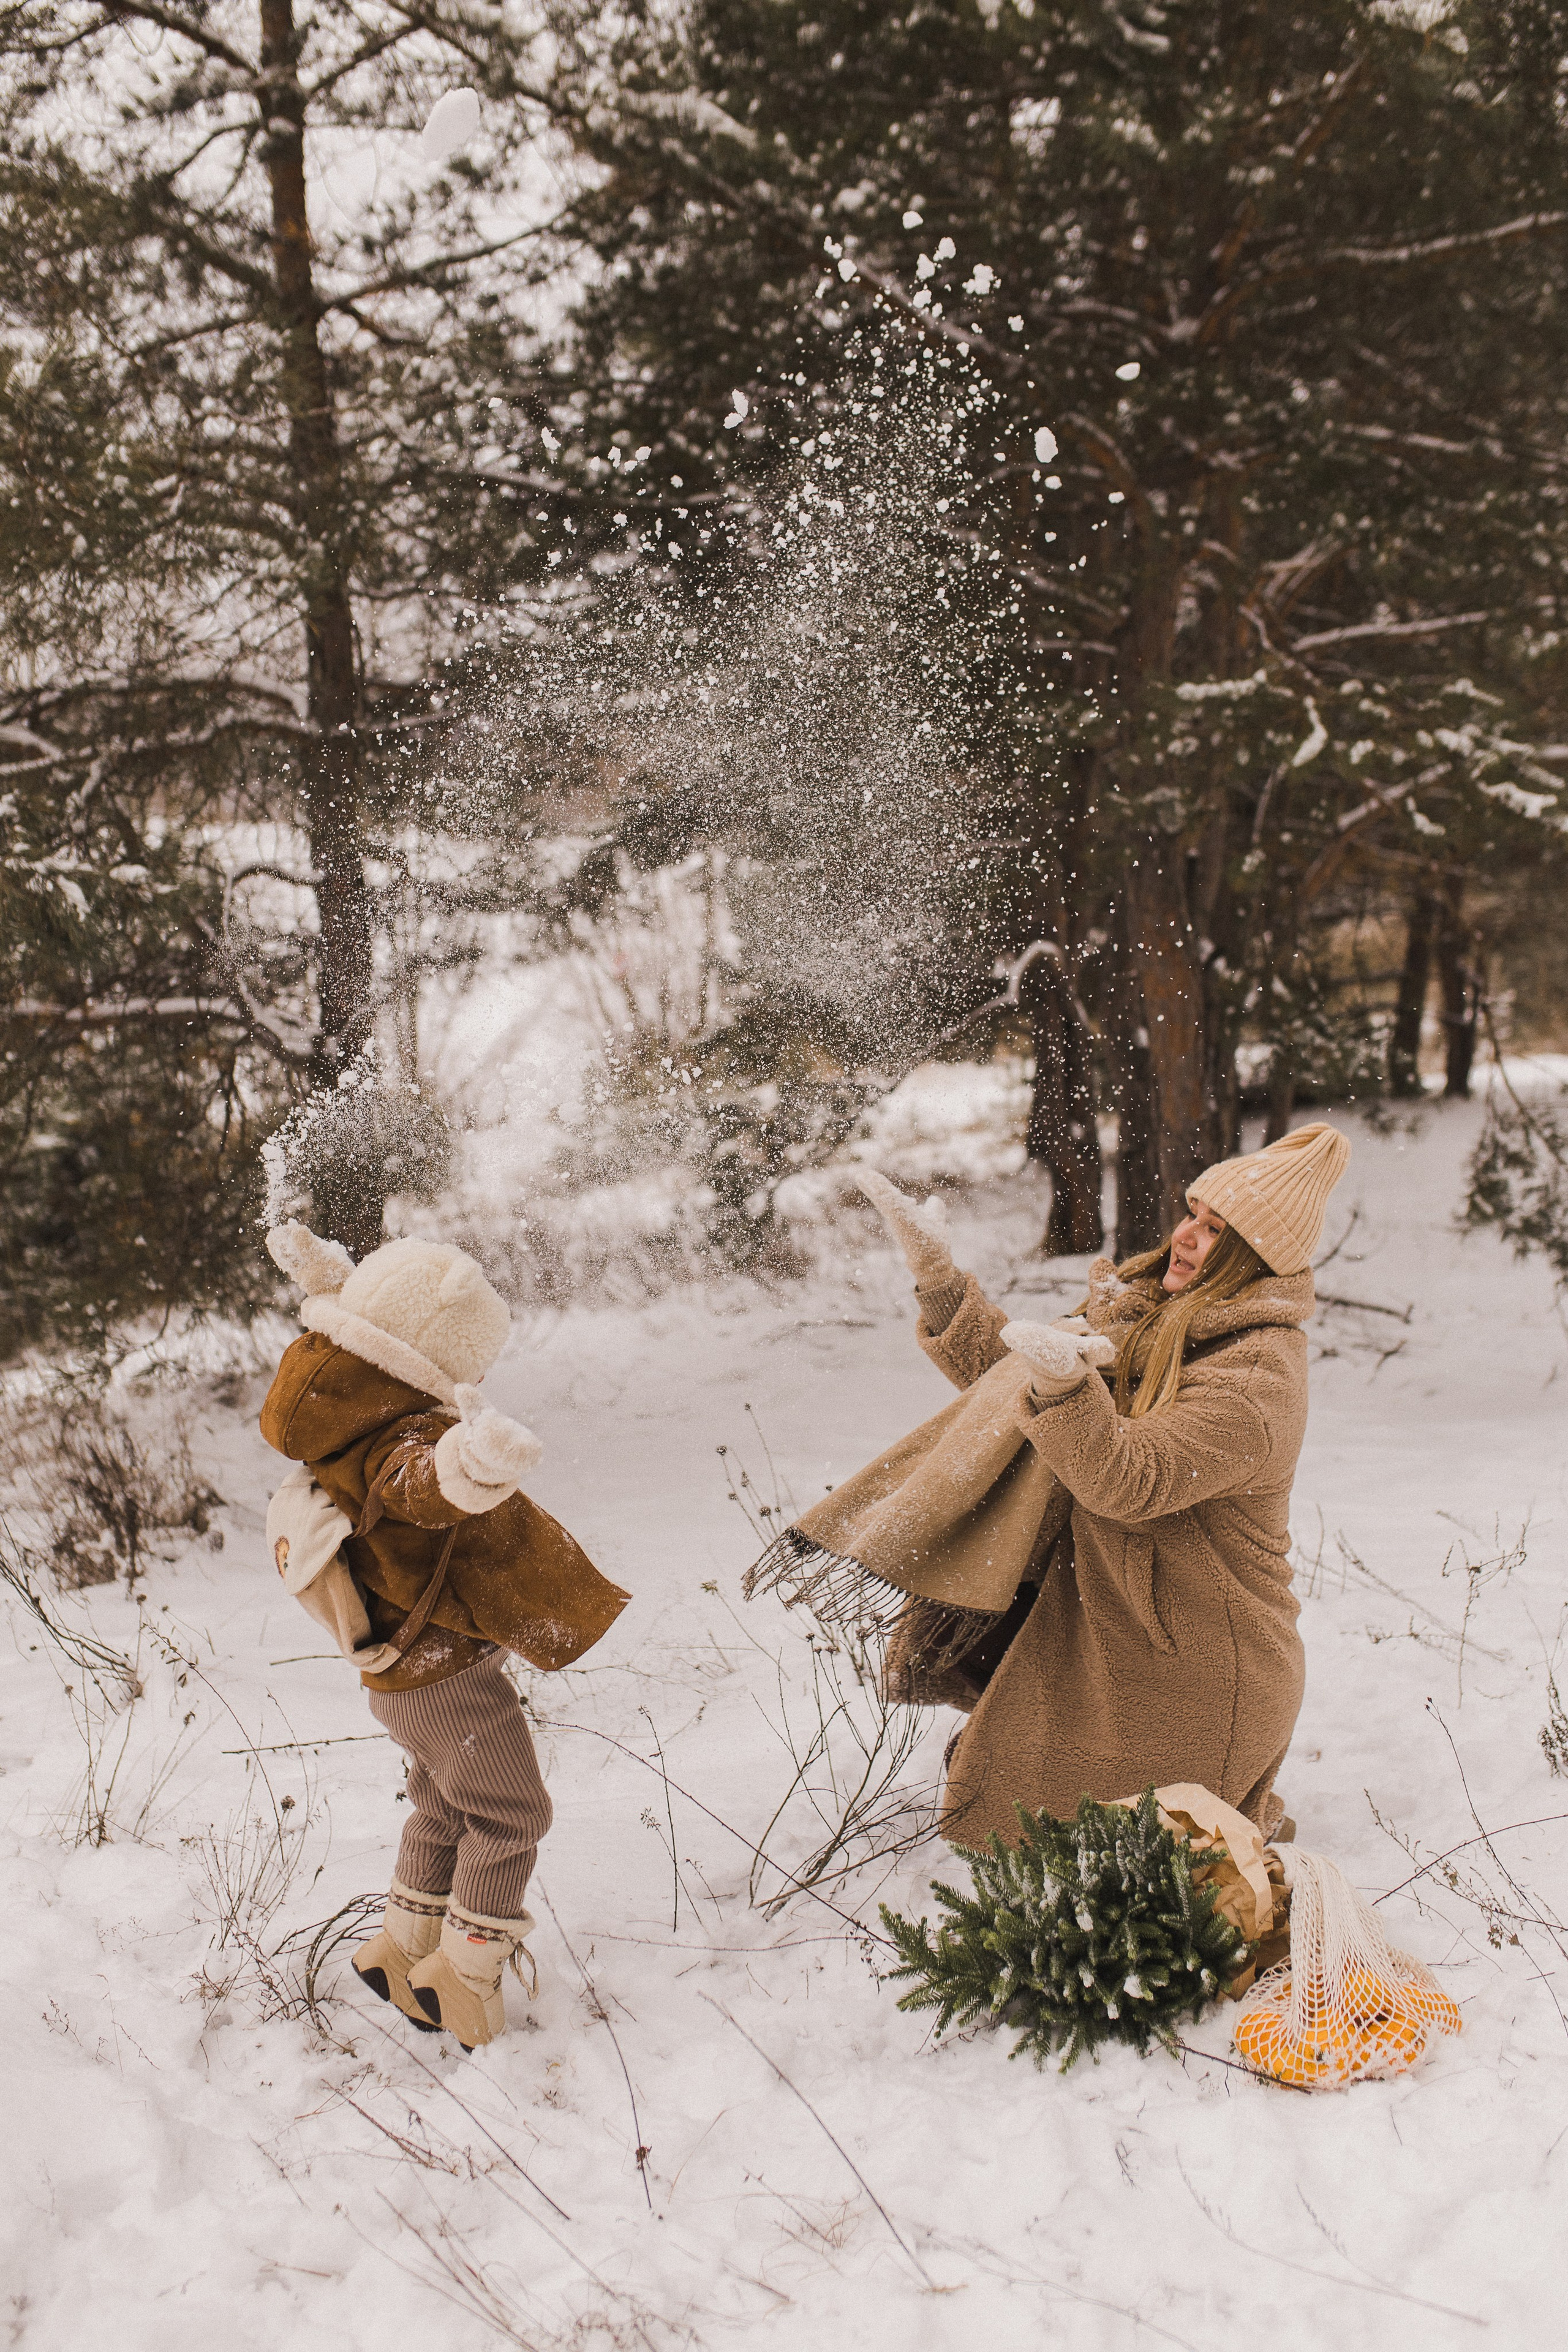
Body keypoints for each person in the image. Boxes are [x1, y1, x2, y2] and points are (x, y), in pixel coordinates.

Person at [789, 1123, 1349, 1842]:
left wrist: (1063, 1386)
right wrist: (940, 1282)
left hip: (1195, 1658)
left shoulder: (1255, 1379)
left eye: (1216, 1233)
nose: (1185, 1237)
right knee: (1006, 1794)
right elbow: (1018, 1389)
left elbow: (1126, 1476)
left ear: (1252, 1262)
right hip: (1108, 1610)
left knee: (1075, 1837)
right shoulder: (1150, 1315)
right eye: (1193, 1215)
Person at [259, 1221, 629, 2048]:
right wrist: (470, 1465)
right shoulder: (404, 1439)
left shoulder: (344, 1399)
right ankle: (465, 1981)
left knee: (442, 1806)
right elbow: (416, 1487)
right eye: (473, 1361)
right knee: (511, 1814)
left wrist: (334, 1280)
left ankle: (403, 1949)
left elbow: (384, 1332)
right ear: (435, 1356)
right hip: (441, 1675)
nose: (480, 1376)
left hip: (402, 1674)